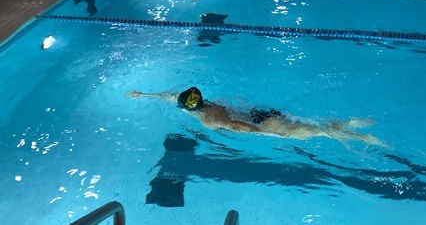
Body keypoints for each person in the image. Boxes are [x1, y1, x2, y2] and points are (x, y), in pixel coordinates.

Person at [125, 87, 385, 146]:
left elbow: (238, 127)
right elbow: (172, 96)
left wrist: (272, 135)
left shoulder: (208, 119)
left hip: (261, 123)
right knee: (312, 125)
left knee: (311, 132)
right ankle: (350, 123)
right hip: (260, 113)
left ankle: (363, 136)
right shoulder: (207, 104)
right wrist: (145, 95)